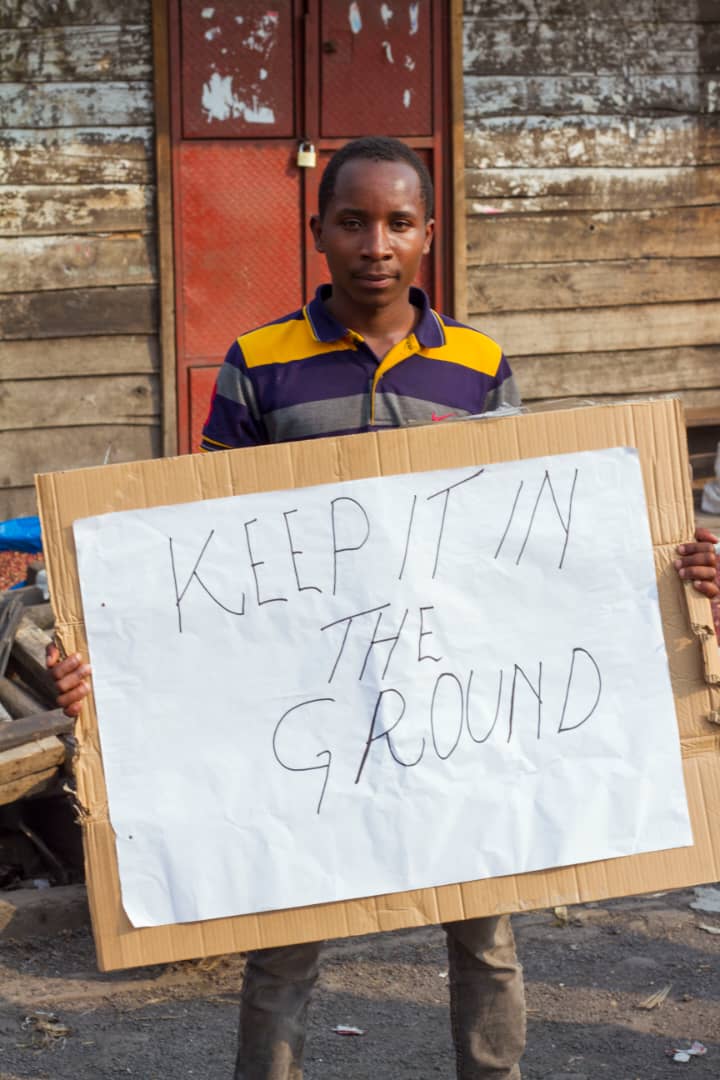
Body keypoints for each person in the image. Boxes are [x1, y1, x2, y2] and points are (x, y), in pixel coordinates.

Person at [48, 137, 719, 1080]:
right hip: (307, 715)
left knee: (485, 938)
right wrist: (106, 664)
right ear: (316, 231)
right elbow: (194, 558)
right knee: (280, 939)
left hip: (456, 711)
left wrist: (671, 571)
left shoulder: (478, 366)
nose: (377, 243)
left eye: (399, 223)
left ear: (429, 236)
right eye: (354, 221)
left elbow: (530, 548)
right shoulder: (258, 365)